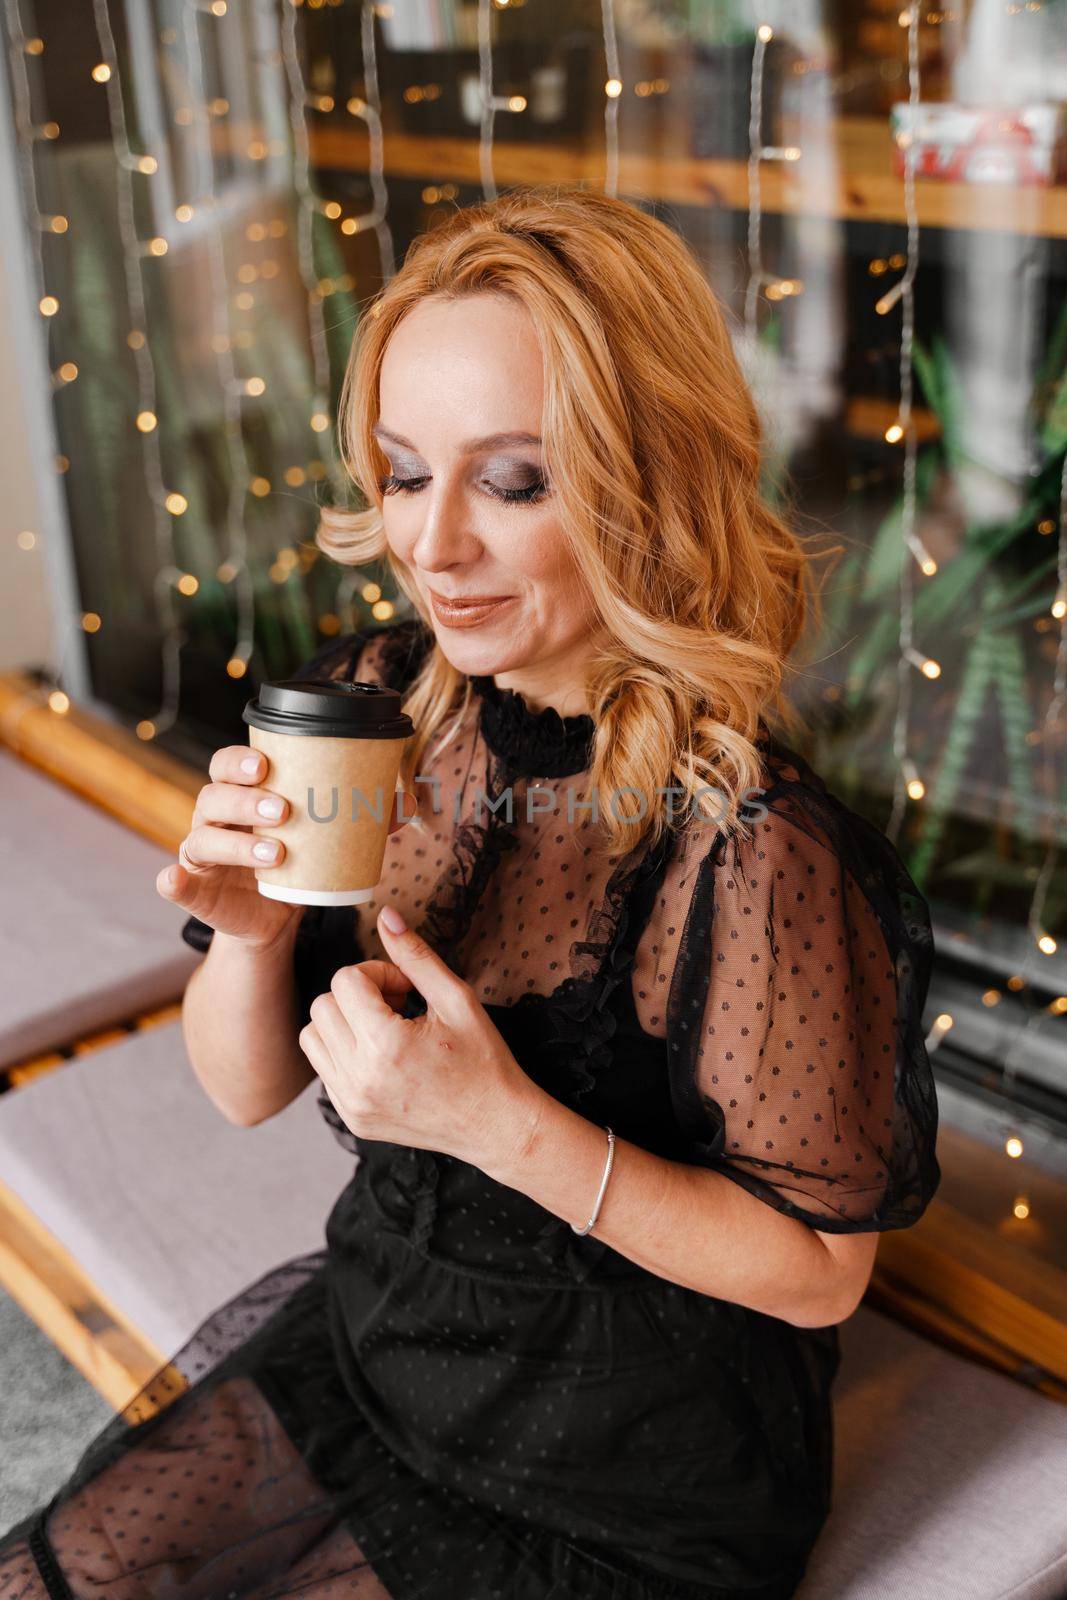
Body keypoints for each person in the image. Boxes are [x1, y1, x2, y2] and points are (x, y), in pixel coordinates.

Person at [0, 184, 940, 1600]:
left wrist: (501, 1125)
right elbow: (245, 1088)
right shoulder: (383, 708)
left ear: (648, 483)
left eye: (512, 481)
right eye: (400, 472)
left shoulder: (750, 844)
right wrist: (250, 940)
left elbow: (820, 1276)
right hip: (385, 1344)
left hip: (629, 1465)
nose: (432, 547)